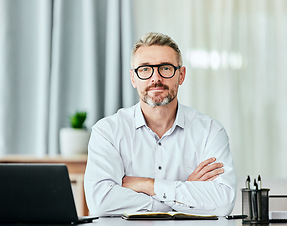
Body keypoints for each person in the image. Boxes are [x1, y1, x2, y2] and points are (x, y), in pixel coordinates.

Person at [84, 32, 236, 216]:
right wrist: (182, 196)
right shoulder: (107, 131)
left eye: (165, 68)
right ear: (133, 78)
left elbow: (223, 203)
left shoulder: (210, 131)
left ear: (181, 75)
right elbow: (100, 203)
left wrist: (148, 185)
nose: (155, 78)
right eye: (145, 69)